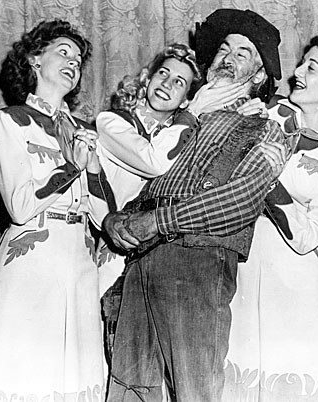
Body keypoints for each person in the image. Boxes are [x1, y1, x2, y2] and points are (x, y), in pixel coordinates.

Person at [103, 9, 290, 402]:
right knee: (130, 390)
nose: (227, 55)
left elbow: (238, 201)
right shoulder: (186, 118)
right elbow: (157, 178)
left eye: (242, 53)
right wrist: (124, 218)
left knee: (195, 390)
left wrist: (159, 221)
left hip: (197, 261)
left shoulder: (264, 127)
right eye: (224, 48)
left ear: (259, 76)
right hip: (142, 260)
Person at [223, 27, 318, 402]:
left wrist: (269, 179)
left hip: (295, 285)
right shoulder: (267, 113)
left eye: (311, 68)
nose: (297, 74)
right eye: (302, 64)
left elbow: (310, 236)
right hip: (243, 267)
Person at [0, 20, 109, 400]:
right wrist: (71, 166)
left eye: (78, 60)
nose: (72, 63)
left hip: (79, 264)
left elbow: (103, 216)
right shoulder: (9, 121)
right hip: (32, 263)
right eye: (62, 52)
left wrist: (93, 169)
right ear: (34, 61)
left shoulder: (84, 130)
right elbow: (19, 206)